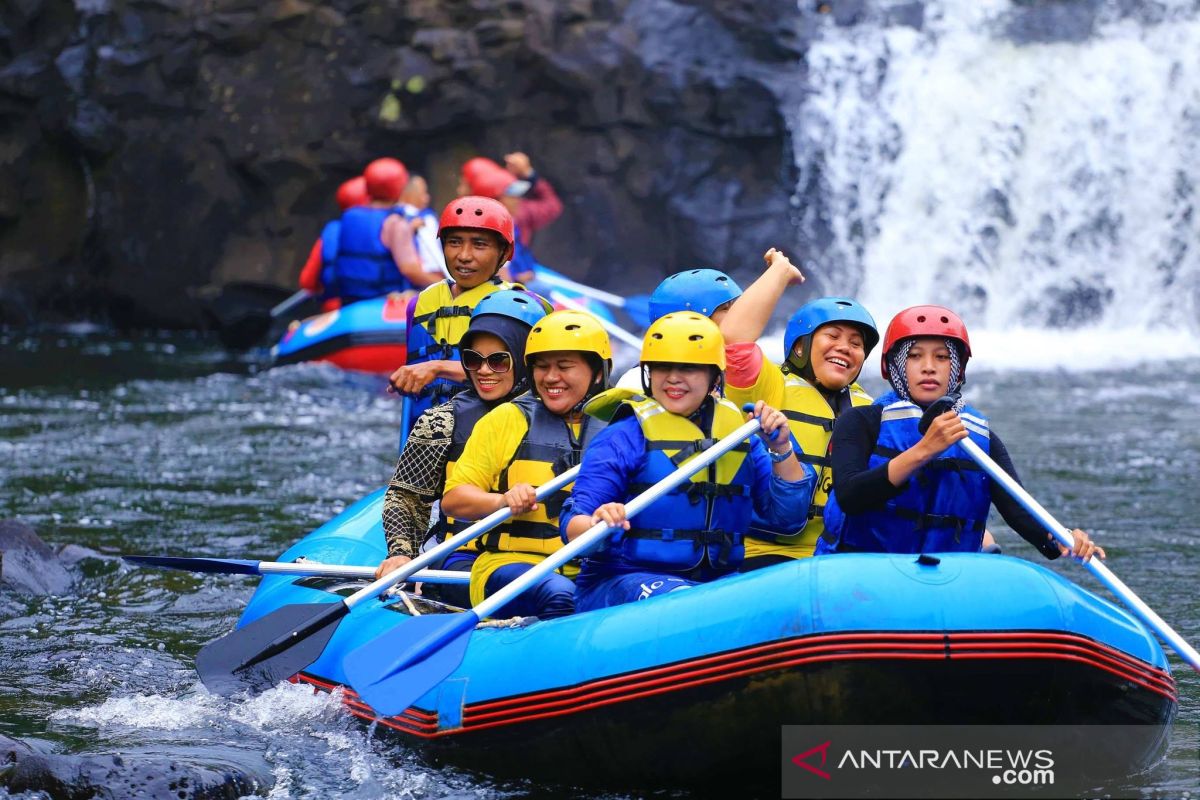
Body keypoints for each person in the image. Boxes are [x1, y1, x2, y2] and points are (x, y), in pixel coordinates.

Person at [560, 312, 817, 613]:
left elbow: (788, 519)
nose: (672, 378)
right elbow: (571, 525)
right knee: (688, 604)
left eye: (688, 368)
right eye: (662, 367)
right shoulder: (624, 435)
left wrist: (781, 447)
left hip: (715, 581)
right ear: (648, 373)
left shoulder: (742, 435)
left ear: (713, 377)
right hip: (621, 580)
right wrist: (597, 523)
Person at [817, 305, 1105, 562]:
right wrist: (925, 450)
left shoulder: (980, 439)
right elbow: (850, 496)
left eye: (942, 357)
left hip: (943, 579)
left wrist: (1061, 537)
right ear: (894, 367)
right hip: (862, 570)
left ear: (957, 371)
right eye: (915, 356)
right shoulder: (862, 421)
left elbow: (1019, 511)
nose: (929, 367)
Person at [375, 290, 551, 608]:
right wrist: (401, 553)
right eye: (473, 359)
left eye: (498, 360)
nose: (483, 371)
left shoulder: (564, 417)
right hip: (462, 558)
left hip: (541, 555)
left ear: (527, 361)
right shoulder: (441, 422)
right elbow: (406, 500)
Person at [440, 309, 613, 618]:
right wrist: (502, 500)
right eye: (542, 367)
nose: (550, 378)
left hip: (590, 568)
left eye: (564, 366)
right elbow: (454, 499)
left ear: (597, 373)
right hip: (507, 564)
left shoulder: (619, 426)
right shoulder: (508, 419)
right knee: (559, 595)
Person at [718, 249, 880, 568]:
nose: (845, 347)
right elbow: (732, 340)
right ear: (800, 346)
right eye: (832, 336)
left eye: (856, 343)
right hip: (762, 553)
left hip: (840, 556)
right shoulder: (770, 384)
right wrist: (778, 272)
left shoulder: (869, 408)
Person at [388, 196, 524, 423]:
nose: (464, 256)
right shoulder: (420, 303)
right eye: (454, 242)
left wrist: (438, 368)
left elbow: (516, 377)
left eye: (479, 244)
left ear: (505, 252)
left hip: (486, 436)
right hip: (424, 441)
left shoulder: (517, 305)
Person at [332, 157, 440, 305]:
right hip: (383, 301)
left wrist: (409, 229)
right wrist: (445, 284)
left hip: (349, 300)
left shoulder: (349, 216)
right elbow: (411, 271)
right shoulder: (396, 223)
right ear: (400, 188)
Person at [614, 268, 743, 390]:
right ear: (693, 320)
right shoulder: (638, 381)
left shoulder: (728, 366)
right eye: (725, 308)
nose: (736, 313)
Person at [458, 154, 563, 284]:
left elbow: (552, 206)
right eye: (511, 195)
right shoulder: (474, 230)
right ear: (495, 199)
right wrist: (517, 280)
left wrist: (529, 175)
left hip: (530, 276)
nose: (518, 200)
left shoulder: (520, 213)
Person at [297, 176, 370, 311]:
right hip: (381, 308)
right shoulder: (391, 227)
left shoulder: (332, 233)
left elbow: (308, 282)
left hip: (336, 310)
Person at [398, 174, 448, 278]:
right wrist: (409, 229)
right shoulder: (398, 217)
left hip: (441, 271)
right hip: (417, 277)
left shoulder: (429, 216)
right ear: (409, 194)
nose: (427, 198)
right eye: (423, 193)